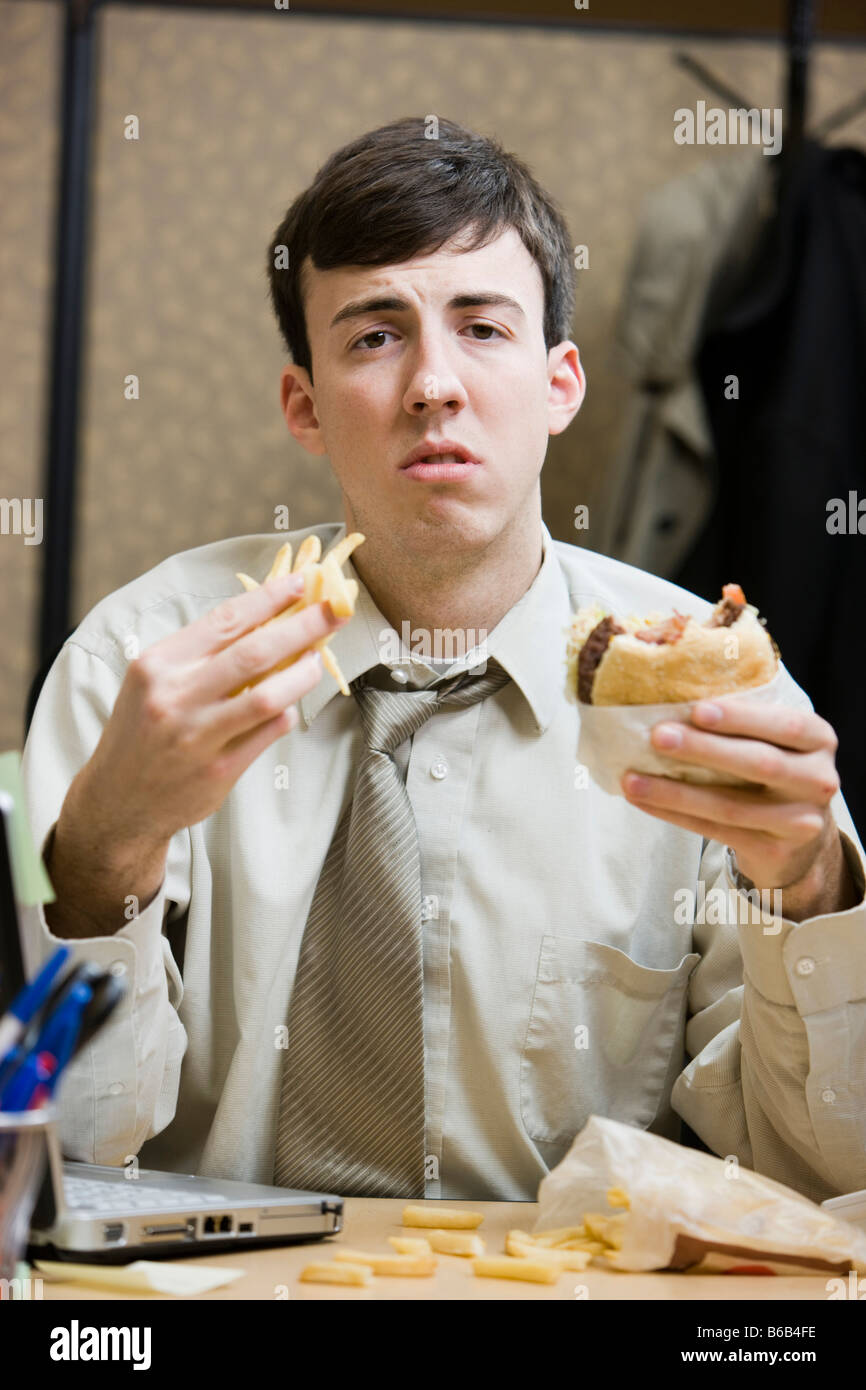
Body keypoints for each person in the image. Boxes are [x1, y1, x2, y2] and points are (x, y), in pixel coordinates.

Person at [21, 117, 865, 1204]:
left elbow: (827, 1173)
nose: (433, 384)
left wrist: (811, 893)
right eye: (374, 335)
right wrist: (103, 853)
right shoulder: (138, 667)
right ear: (304, 404)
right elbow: (49, 1154)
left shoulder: (706, 687)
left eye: (481, 328)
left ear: (560, 384)